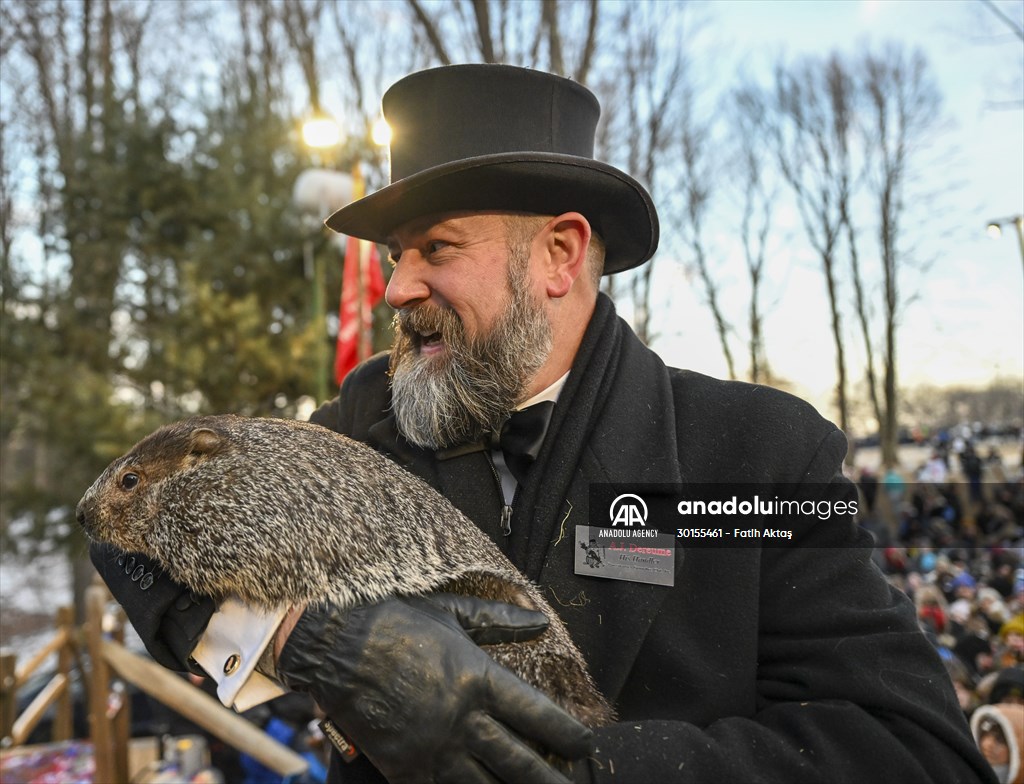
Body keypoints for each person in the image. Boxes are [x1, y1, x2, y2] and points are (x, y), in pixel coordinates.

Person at [91, 64, 996, 783]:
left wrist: (574, 767)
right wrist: (307, 641)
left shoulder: (758, 453)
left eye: (435, 248)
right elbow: (125, 541)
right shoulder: (359, 426)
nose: (397, 286)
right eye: (394, 256)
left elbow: (911, 750)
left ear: (559, 254)